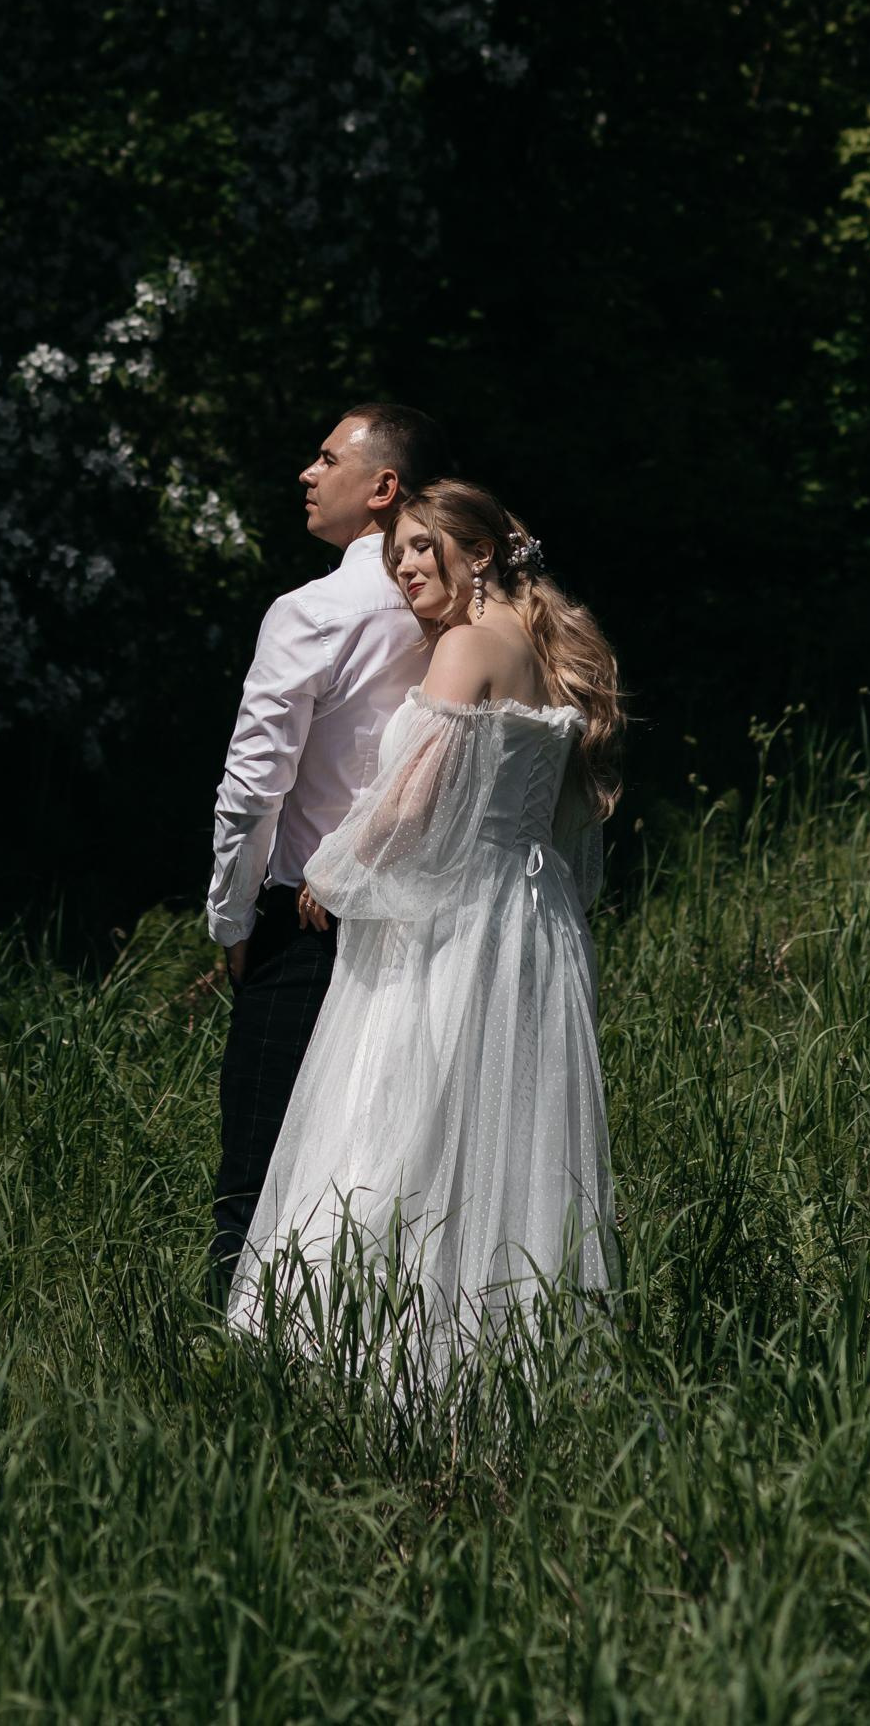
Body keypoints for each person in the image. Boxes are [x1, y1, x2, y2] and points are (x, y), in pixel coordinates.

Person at [227, 478, 622, 1369]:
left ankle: (359, 1346)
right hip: (532, 918)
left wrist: (334, 872)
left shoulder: (464, 647)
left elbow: (411, 801)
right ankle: (501, 1348)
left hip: (453, 918)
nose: (403, 567)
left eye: (419, 547)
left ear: (477, 554)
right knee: (501, 1131)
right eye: (395, 551)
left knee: (395, 1117)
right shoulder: (545, 647)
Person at [206, 402, 450, 1295]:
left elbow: (253, 788)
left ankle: (233, 1351)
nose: (307, 475)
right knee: (382, 1173)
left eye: (325, 459)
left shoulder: (313, 613)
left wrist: (232, 919)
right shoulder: (457, 617)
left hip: (307, 927)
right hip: (429, 925)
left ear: (383, 487)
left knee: (259, 1173)